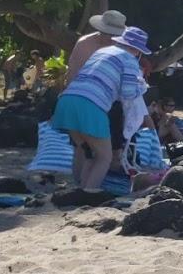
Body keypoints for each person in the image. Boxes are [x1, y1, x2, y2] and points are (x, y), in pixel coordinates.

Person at [50, 27, 149, 190]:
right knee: (105, 157)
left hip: (67, 100)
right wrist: (141, 87)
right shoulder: (130, 60)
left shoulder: (101, 52)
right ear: (137, 50)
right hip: (90, 106)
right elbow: (128, 94)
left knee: (88, 153)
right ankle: (88, 194)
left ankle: (78, 188)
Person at [67, 10, 128, 78]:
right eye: (108, 33)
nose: (111, 38)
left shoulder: (123, 49)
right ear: (100, 30)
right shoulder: (84, 44)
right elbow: (73, 72)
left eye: (115, 35)